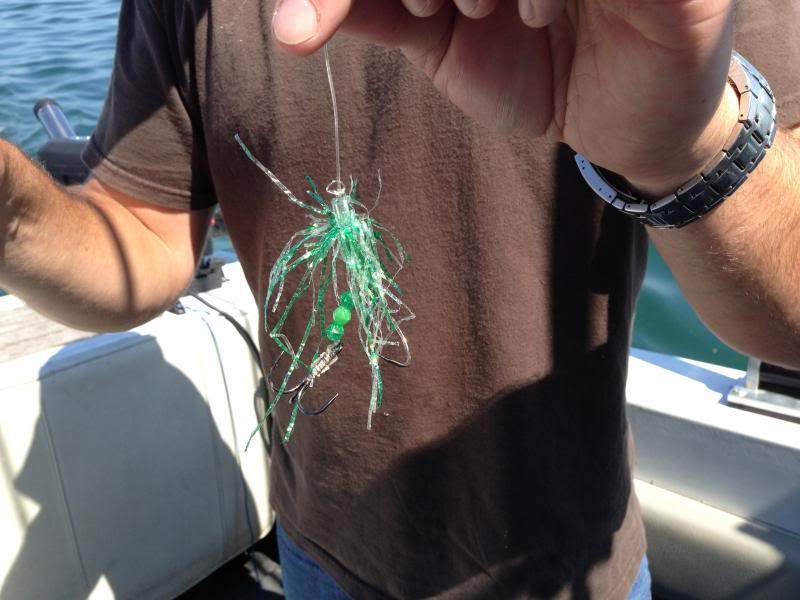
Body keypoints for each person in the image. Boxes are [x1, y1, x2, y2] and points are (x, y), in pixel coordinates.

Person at [1, 0, 798, 597]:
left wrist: (688, 152)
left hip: (566, 569)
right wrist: (11, 210)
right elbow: (143, 234)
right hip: (318, 553)